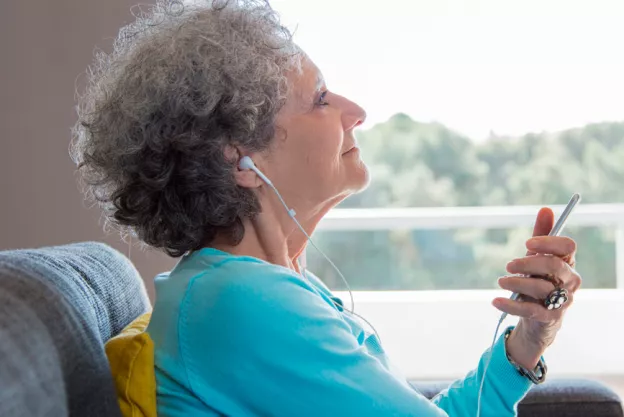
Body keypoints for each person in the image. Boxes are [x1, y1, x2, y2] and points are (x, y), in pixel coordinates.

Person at [70, 1, 582, 416]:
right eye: (319, 99)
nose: (355, 112)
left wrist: (528, 342)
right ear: (240, 158)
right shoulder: (241, 302)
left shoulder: (250, 287)